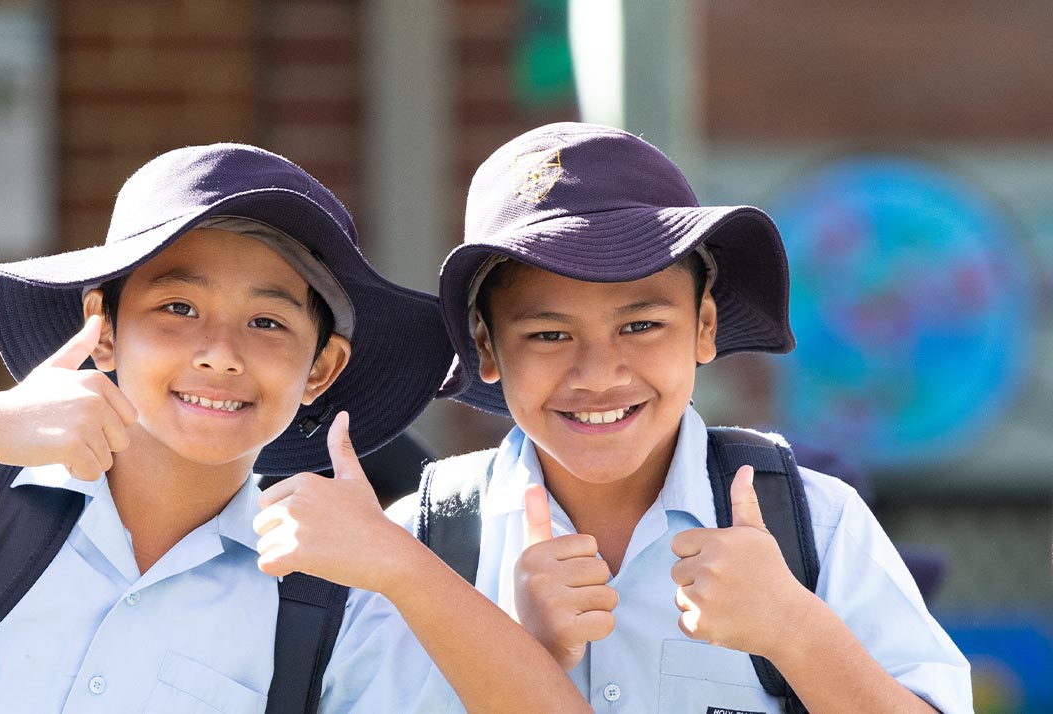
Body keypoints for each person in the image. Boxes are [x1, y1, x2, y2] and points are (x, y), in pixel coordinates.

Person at [0, 143, 585, 712]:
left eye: (268, 322)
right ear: (101, 331)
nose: (221, 353)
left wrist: (407, 569)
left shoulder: (337, 597)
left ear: (323, 369)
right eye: (177, 308)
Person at [394, 122, 972, 713]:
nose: (598, 374)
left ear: (704, 328)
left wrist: (795, 630)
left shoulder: (818, 523)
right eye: (548, 333)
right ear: (487, 349)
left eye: (641, 326)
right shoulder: (413, 552)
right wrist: (511, 658)